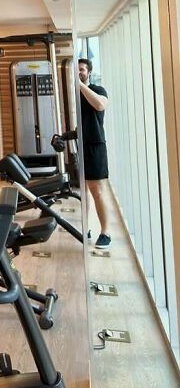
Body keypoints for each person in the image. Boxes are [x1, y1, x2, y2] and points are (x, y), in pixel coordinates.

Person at [78, 58, 114, 248]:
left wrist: (80, 86)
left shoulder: (98, 90)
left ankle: (106, 232)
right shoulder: (75, 94)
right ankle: (86, 229)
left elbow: (100, 105)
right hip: (81, 146)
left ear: (89, 72)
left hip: (96, 146)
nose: (79, 72)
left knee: (97, 191)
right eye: (76, 70)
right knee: (83, 192)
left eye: (82, 70)